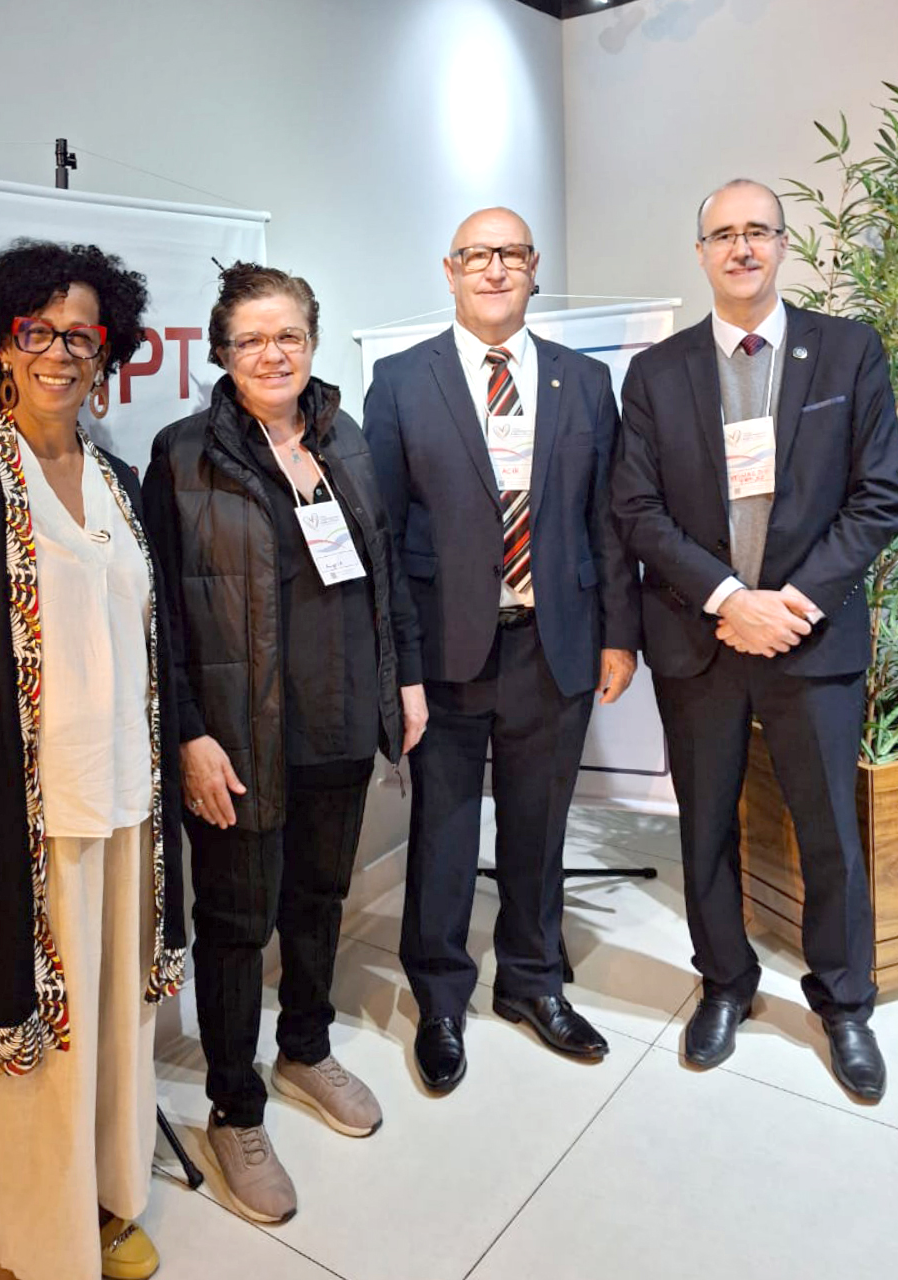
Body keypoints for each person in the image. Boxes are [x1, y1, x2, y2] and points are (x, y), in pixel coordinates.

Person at [142, 262, 426, 1224]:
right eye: (252, 339)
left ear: (312, 343)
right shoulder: (183, 457)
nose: (273, 354)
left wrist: (405, 681)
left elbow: (386, 573)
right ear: (221, 351)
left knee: (319, 898)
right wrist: (187, 734)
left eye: (289, 337)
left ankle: (306, 1046)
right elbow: (162, 623)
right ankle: (235, 1105)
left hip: (343, 723)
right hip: (240, 735)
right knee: (234, 924)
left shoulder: (346, 440)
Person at [612, 179, 898, 1101]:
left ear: (783, 246)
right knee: (704, 827)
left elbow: (881, 496)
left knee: (828, 829)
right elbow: (637, 508)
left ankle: (845, 1002)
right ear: (700, 253)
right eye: (722, 234)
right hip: (701, 640)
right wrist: (728, 598)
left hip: (808, 640)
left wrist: (786, 601)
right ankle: (724, 984)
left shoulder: (848, 353)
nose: (741, 248)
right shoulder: (655, 373)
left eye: (758, 232)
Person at [363, 207, 641, 1094]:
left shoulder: (582, 383)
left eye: (511, 255)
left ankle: (532, 982)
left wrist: (619, 634)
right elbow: (384, 532)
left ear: (533, 269)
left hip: (551, 643)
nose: (494, 269)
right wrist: (399, 664)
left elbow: (607, 518)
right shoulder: (401, 381)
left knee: (539, 827)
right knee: (443, 833)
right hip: (444, 651)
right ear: (449, 271)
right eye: (476, 256)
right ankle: (441, 1000)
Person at [0, 239, 186, 1280]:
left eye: (79, 334)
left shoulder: (122, 481)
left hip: (127, 797)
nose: (57, 351)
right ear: (5, 341)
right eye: (36, 330)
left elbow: (155, 632)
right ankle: (32, 1243)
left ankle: (106, 1200)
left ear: (107, 352)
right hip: (24, 813)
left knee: (119, 1023)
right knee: (35, 1037)